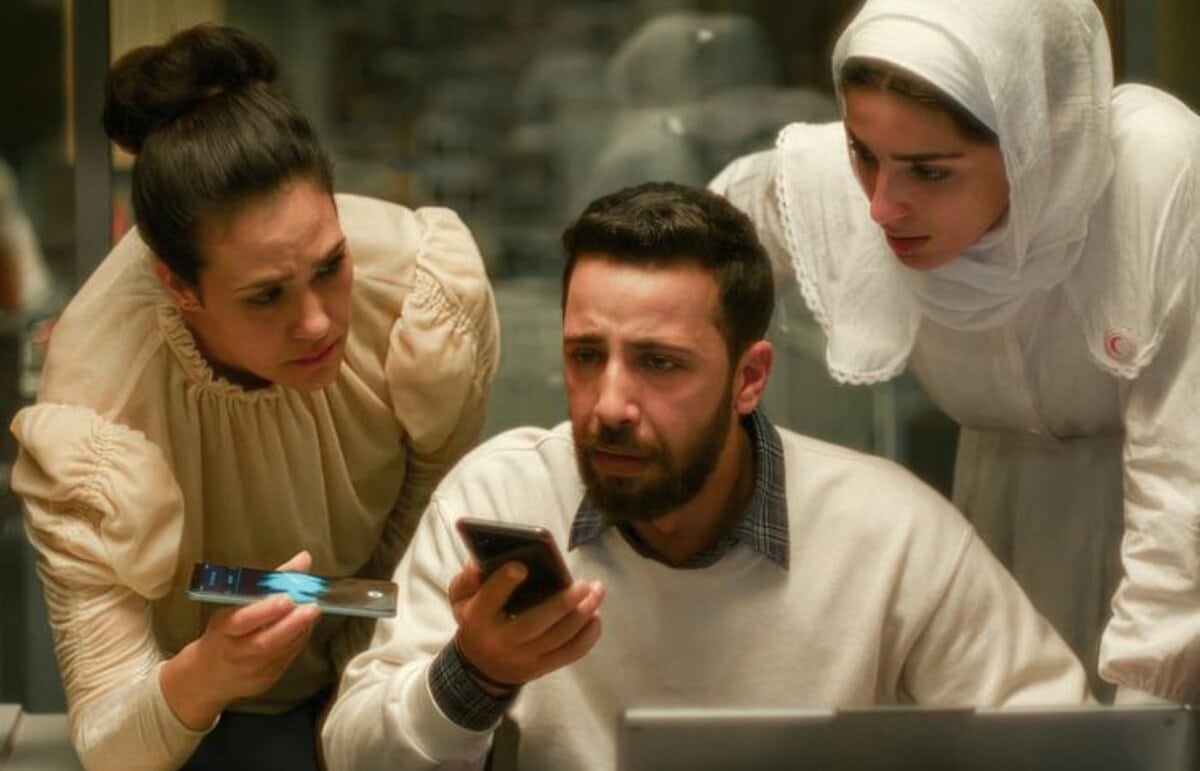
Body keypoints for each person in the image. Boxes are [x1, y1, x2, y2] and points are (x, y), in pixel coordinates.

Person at [320, 182, 1089, 771]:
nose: (608, 405)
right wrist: (473, 674)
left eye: (658, 363)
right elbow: (353, 755)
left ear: (749, 377)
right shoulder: (504, 495)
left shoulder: (890, 533)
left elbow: (1065, 741)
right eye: (586, 355)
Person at [7, 24, 499, 771]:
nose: (318, 322)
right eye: (266, 296)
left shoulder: (417, 293)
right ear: (179, 288)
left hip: (376, 677)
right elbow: (110, 735)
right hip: (188, 723)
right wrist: (209, 674)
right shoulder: (97, 400)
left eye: (331, 265)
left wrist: (355, 682)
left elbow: (420, 528)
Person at [710, 0, 1200, 705]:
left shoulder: (1156, 173)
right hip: (989, 529)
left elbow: (1179, 485)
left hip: (1164, 561)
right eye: (862, 153)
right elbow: (696, 244)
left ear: (1032, 141)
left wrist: (1142, 726)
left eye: (931, 172)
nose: (881, 206)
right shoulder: (859, 174)